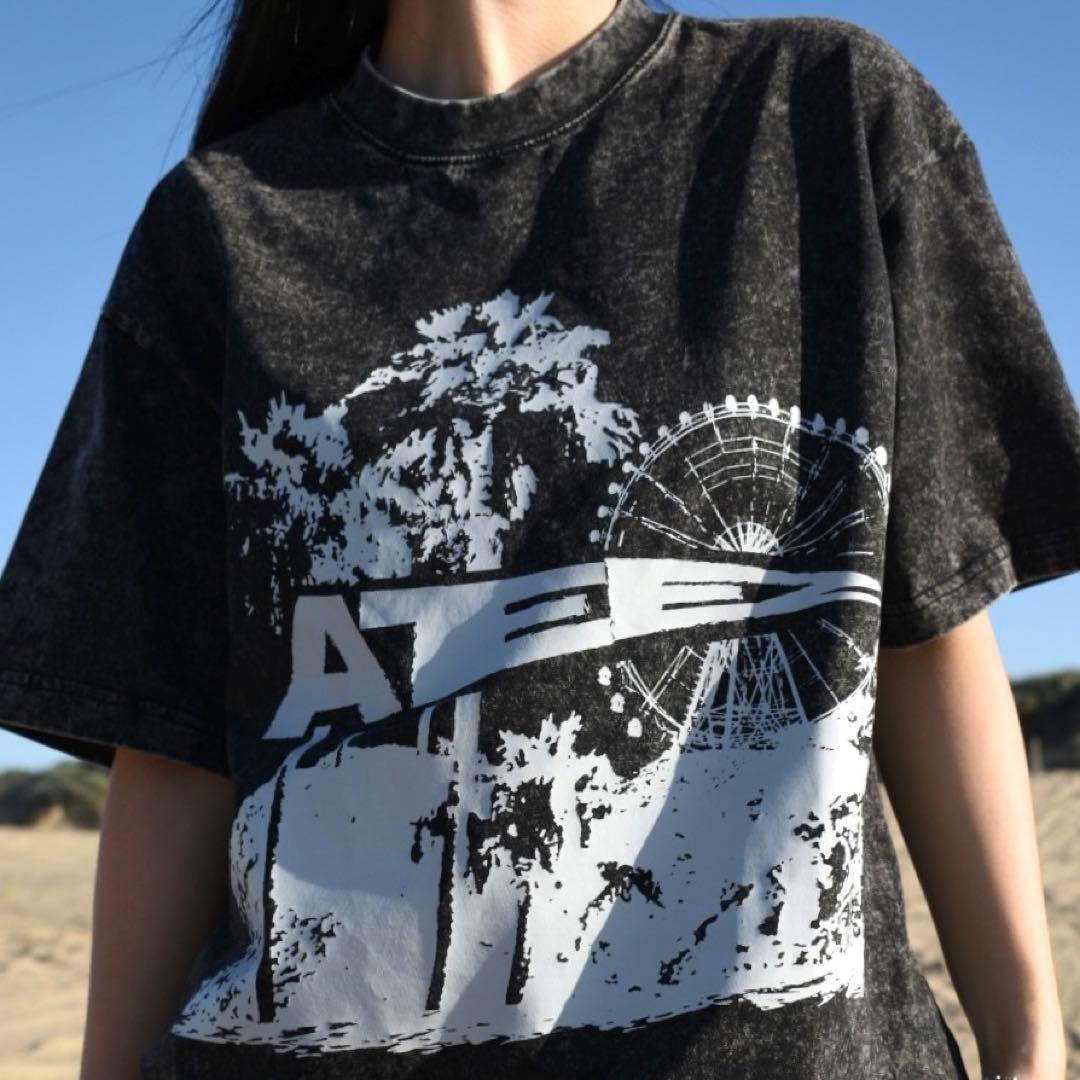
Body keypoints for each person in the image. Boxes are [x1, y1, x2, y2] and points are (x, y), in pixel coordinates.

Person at [0, 0, 1076, 1077]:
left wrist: (1030, 1048)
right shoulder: (221, 226)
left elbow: (930, 611)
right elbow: (173, 747)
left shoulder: (819, 116)